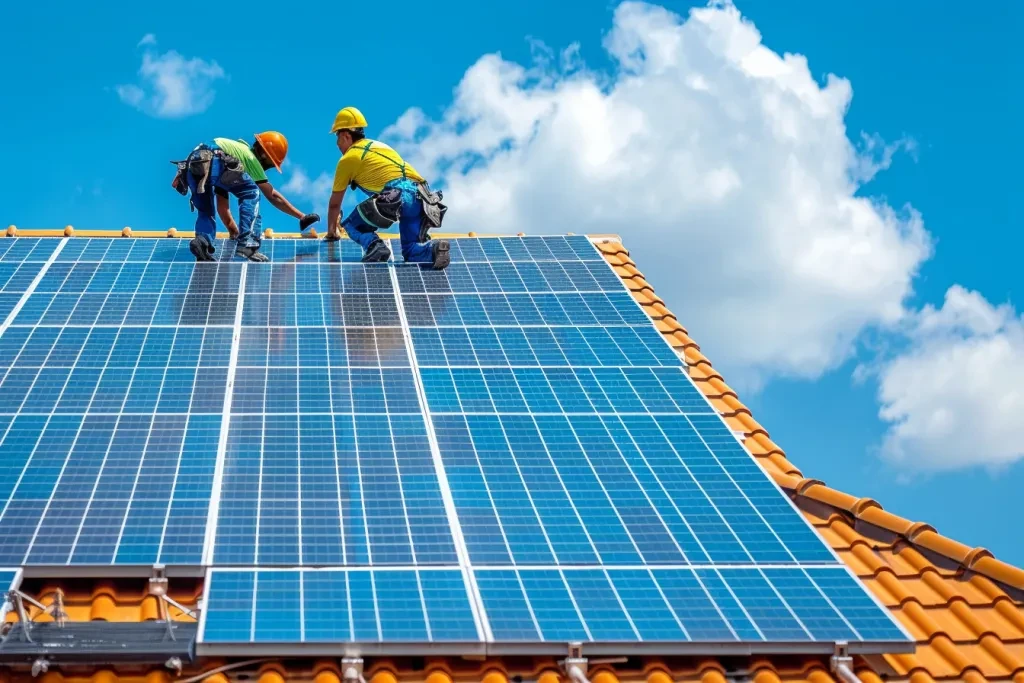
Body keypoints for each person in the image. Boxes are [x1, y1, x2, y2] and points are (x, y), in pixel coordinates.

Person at [324, 107, 450, 269]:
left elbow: (335, 205)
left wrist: (332, 232)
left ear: (346, 135)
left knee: (351, 225)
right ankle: (433, 251)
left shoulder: (348, 158)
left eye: (337, 138)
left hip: (396, 194)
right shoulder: (380, 146)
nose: (337, 144)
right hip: (423, 197)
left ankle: (375, 245)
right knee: (411, 252)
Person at [172, 132, 320, 262]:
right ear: (263, 154)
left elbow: (223, 208)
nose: (265, 169)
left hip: (195, 164)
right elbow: (272, 195)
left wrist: (234, 232)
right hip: (216, 159)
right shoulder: (250, 157)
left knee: (205, 211)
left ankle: (202, 242)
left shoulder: (232, 159)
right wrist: (301, 217)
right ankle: (248, 243)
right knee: (252, 192)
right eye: (269, 164)